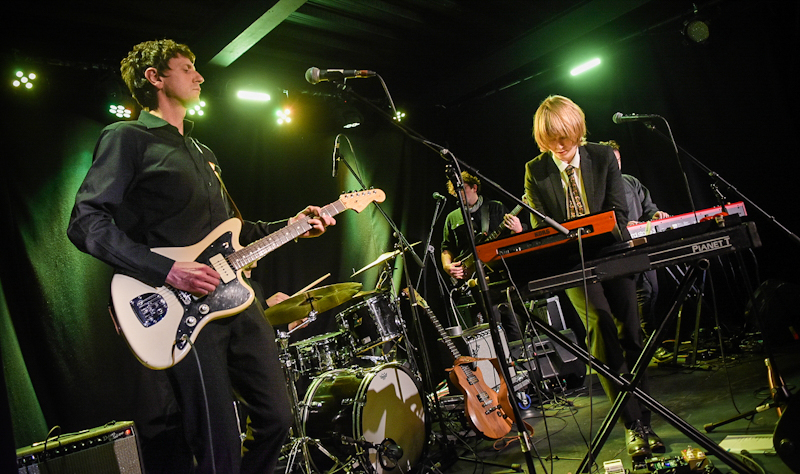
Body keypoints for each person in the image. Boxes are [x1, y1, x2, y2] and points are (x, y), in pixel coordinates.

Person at [67, 39, 335, 474]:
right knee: (216, 441)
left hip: (238, 301)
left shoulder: (202, 152)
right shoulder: (127, 138)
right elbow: (85, 222)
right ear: (155, 78)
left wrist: (294, 224)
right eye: (187, 68)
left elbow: (235, 232)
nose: (200, 76)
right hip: (183, 310)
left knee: (278, 417)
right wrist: (169, 271)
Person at [523, 95, 663, 459]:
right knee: (600, 326)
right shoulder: (535, 170)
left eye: (564, 137)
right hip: (571, 263)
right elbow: (540, 227)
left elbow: (619, 212)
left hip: (613, 252)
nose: (559, 145)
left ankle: (646, 420)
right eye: (551, 139)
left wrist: (593, 232)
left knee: (631, 332)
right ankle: (632, 425)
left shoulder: (601, 157)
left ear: (577, 130)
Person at [440, 171, 526, 340]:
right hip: (475, 283)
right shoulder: (452, 218)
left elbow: (514, 240)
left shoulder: (495, 207)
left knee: (515, 327)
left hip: (501, 277)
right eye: (455, 191)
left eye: (463, 189)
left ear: (474, 187)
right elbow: (446, 248)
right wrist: (447, 266)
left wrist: (518, 230)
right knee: (493, 332)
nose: (459, 194)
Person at [599, 140, 670, 343]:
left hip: (641, 245)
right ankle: (645, 342)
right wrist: (622, 226)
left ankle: (649, 341)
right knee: (639, 294)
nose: (616, 165)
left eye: (618, 160)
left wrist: (655, 214)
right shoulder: (597, 189)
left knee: (652, 290)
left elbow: (648, 207)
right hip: (618, 250)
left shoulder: (630, 181)